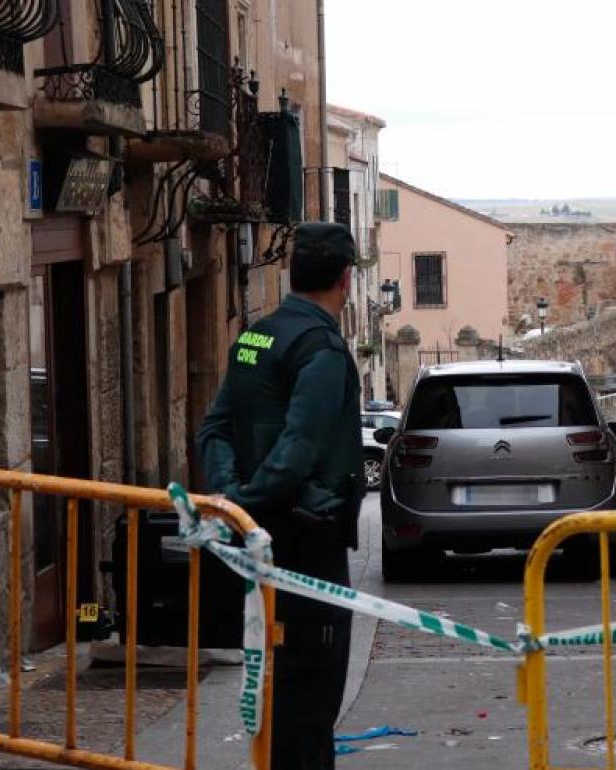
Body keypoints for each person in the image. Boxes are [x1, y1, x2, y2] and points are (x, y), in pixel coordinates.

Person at [197, 223, 363, 770]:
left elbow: (214, 428)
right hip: (306, 544)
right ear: (345, 279)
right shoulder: (322, 350)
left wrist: (230, 501)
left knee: (280, 688)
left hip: (257, 544)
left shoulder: (254, 336)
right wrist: (249, 499)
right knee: (309, 699)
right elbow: (299, 449)